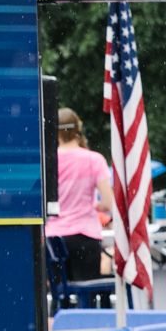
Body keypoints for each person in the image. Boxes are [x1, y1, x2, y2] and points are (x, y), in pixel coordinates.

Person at [46, 108, 114, 285]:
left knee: (60, 295)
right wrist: (96, 206)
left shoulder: (48, 161)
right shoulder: (94, 160)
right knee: (88, 296)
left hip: (54, 239)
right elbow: (108, 203)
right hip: (85, 235)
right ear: (78, 129)